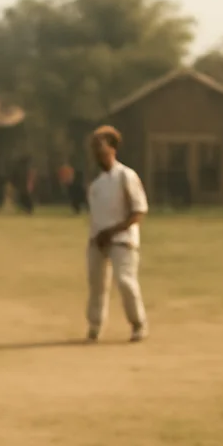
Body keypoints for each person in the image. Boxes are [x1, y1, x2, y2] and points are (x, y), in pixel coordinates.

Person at [86, 125, 149, 344]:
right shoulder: (95, 184)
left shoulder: (126, 176)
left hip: (122, 240)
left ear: (112, 148)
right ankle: (95, 326)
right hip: (98, 241)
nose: (96, 152)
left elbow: (138, 211)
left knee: (125, 281)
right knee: (97, 286)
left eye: (100, 146)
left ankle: (138, 323)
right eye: (93, 147)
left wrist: (112, 232)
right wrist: (97, 237)